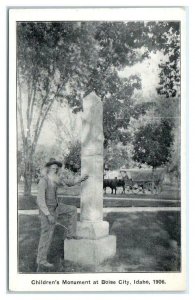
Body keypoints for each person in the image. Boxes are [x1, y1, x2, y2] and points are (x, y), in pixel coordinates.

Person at [36, 158, 88, 271]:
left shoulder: (55, 179)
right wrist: (48, 214)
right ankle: (41, 260)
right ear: (48, 168)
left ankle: (71, 234)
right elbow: (40, 200)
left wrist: (80, 179)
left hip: (57, 207)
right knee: (47, 235)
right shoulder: (43, 181)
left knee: (72, 210)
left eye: (56, 168)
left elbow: (68, 183)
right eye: (53, 167)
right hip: (47, 211)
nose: (55, 169)